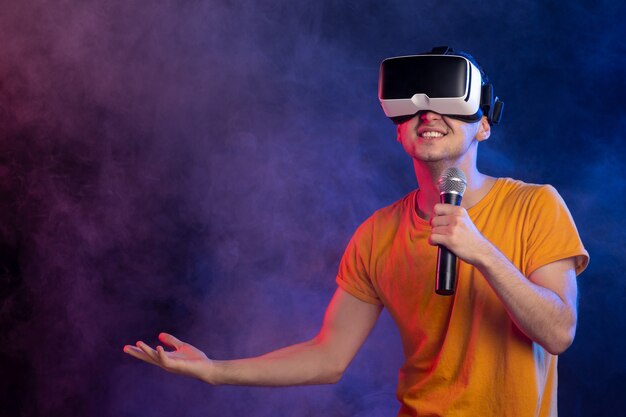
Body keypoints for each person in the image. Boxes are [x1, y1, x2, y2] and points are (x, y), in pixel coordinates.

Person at [124, 47, 589, 416]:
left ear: (484, 125)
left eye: (445, 100)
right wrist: (215, 371)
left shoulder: (536, 205)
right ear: (398, 133)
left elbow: (559, 332)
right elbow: (329, 357)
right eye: (411, 107)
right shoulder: (376, 235)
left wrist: (483, 252)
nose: (425, 112)